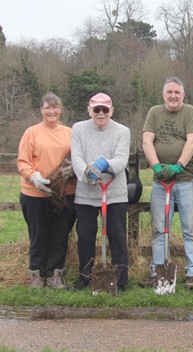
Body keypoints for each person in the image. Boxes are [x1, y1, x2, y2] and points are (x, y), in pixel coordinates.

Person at [142, 76, 193, 290]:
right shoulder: (154, 112)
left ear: (183, 95)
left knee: (190, 227)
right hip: (160, 182)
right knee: (160, 228)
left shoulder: (190, 112)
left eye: (177, 92)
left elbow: (192, 141)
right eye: (170, 92)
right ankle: (158, 269)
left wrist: (179, 165)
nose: (173, 96)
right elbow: (147, 140)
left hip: (185, 179)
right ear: (163, 94)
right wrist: (156, 166)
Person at [71, 92, 130, 291]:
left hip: (114, 191)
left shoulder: (122, 131)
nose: (101, 113)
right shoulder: (78, 129)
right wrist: (87, 172)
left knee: (117, 235)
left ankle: (120, 280)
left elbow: (121, 159)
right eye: (97, 109)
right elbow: (76, 157)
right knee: (86, 235)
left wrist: (104, 164)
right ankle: (86, 277)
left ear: (111, 111)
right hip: (86, 193)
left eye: (105, 109)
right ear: (90, 110)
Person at [17, 93, 77, 289]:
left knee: (60, 235)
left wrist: (73, 169)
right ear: (41, 110)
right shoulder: (31, 133)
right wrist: (34, 177)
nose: (51, 111)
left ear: (60, 109)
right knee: (38, 235)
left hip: (64, 193)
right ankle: (36, 274)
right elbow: (23, 161)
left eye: (55, 107)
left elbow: (78, 156)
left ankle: (54, 274)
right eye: (47, 108)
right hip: (35, 194)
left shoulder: (70, 132)